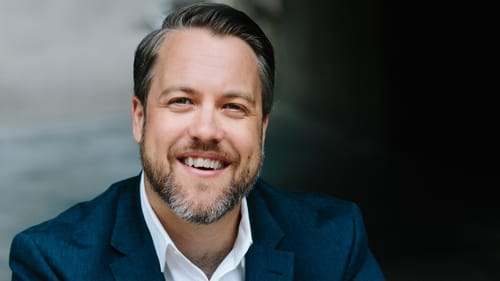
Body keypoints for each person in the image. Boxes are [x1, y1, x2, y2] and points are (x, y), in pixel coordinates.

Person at [9, 2, 385, 281]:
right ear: (139, 119)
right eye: (182, 101)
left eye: (233, 106)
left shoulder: (334, 243)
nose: (206, 130)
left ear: (263, 129)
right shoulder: (53, 263)